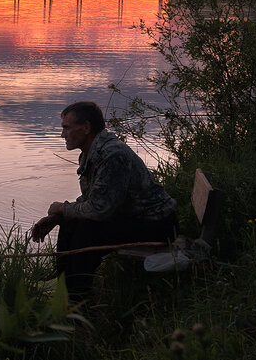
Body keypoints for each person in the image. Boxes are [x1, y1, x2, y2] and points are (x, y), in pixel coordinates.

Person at [30, 101, 177, 297]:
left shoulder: (111, 155)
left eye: (66, 127)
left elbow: (100, 210)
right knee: (72, 222)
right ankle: (62, 284)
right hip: (134, 218)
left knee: (87, 230)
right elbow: (94, 198)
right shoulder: (90, 154)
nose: (62, 134)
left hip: (157, 224)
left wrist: (62, 209)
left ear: (86, 128)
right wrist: (60, 216)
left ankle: (76, 298)